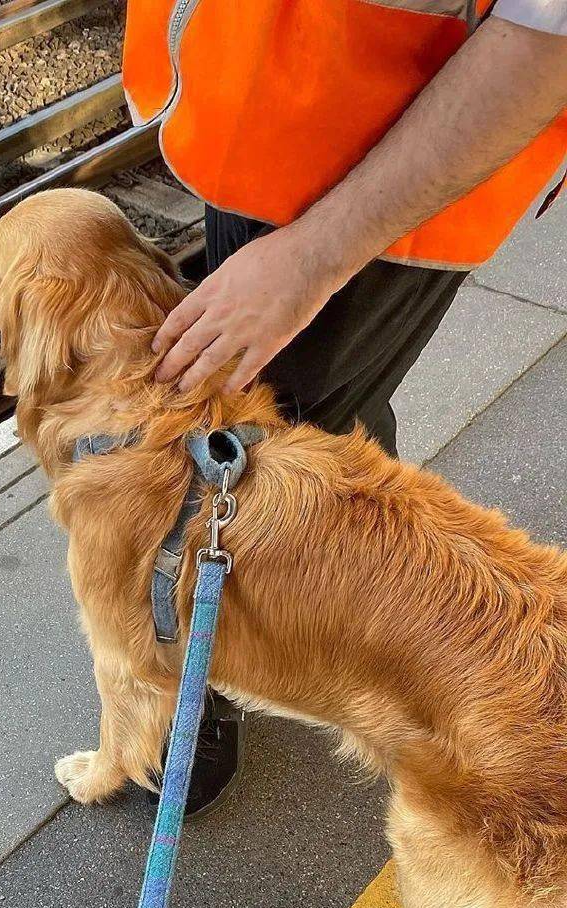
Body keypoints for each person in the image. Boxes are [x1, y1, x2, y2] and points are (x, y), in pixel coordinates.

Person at [122, 0, 567, 817]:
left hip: (371, 170)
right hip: (278, 128)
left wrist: (311, 260)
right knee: (332, 422)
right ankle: (346, 642)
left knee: (266, 446)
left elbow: (548, 39)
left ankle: (228, 676)